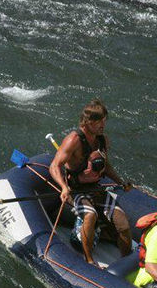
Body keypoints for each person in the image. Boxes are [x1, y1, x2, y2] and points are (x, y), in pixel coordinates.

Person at [49, 98, 132, 266]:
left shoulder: (102, 140)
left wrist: (120, 182)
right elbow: (54, 166)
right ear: (87, 122)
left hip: (96, 189)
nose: (103, 125)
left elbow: (106, 166)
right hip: (76, 190)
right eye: (99, 122)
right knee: (90, 215)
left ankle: (126, 260)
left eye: (104, 121)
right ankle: (89, 260)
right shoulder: (73, 140)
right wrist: (64, 187)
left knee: (122, 222)